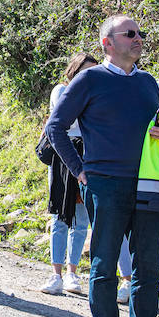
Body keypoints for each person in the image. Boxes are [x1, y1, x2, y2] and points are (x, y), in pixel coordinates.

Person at [44, 14, 159, 317]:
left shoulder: (151, 83)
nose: (138, 38)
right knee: (104, 264)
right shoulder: (89, 79)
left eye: (140, 33)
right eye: (129, 34)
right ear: (107, 43)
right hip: (104, 183)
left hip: (150, 184)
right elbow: (55, 127)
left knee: (148, 265)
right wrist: (79, 170)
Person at [42, 53, 100, 295]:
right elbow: (64, 122)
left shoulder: (98, 96)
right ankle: (55, 274)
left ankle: (72, 274)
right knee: (60, 216)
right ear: (74, 71)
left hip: (90, 157)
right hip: (63, 157)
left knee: (82, 219)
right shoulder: (61, 90)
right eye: (85, 72)